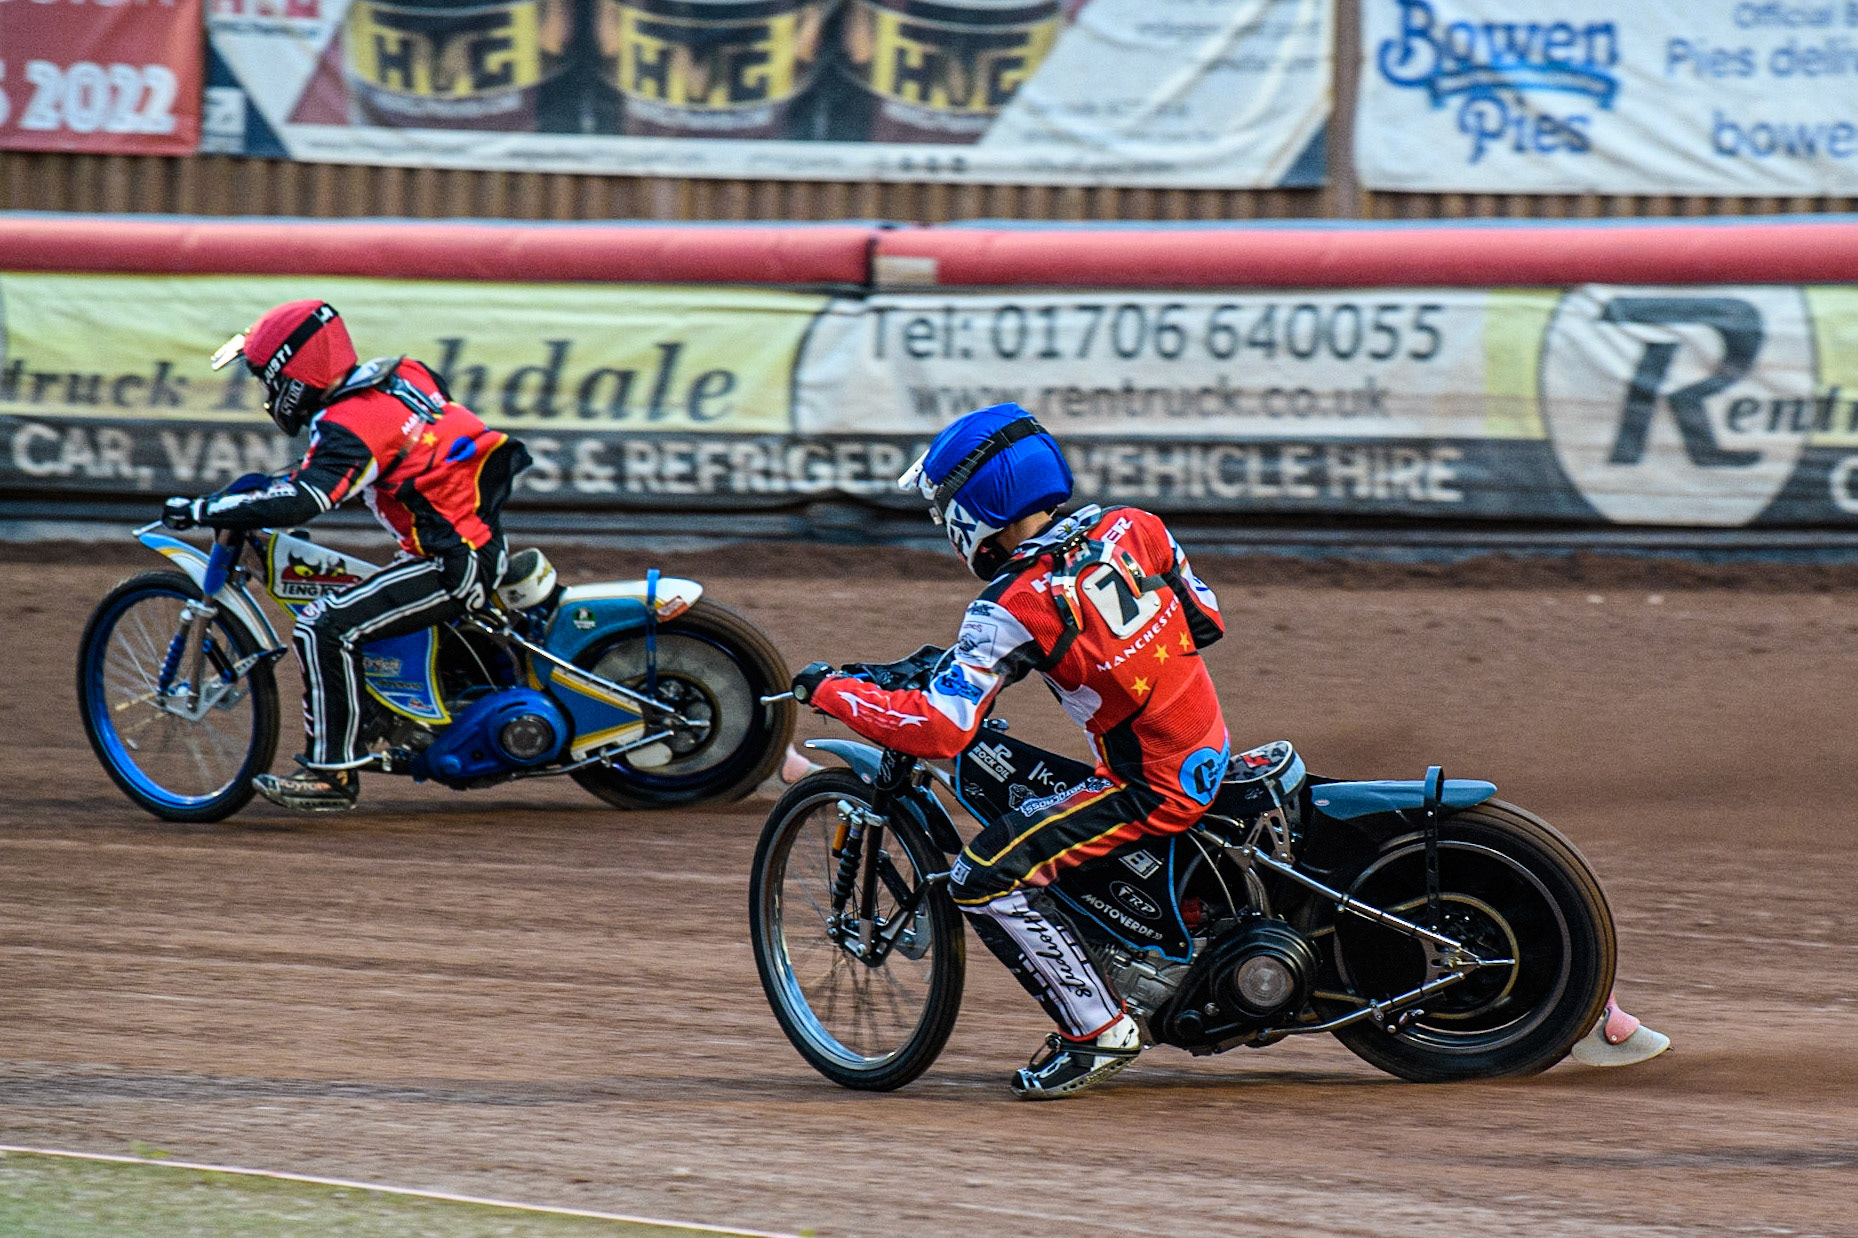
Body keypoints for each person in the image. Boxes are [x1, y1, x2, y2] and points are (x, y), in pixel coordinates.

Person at [789, 404, 1231, 1099]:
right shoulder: (1135, 525)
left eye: (945, 513)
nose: (946, 529)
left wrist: (833, 692)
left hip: (1150, 784)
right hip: (1206, 747)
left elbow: (941, 729)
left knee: (982, 874)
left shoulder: (1012, 604)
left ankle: (1098, 1032)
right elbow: (1205, 618)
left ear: (976, 506)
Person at [162, 299, 530, 812]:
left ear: (290, 375)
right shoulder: (404, 375)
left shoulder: (347, 423)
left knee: (322, 626)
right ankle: (377, 716)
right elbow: (395, 454)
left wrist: (203, 509)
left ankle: (330, 774)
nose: (268, 394)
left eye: (266, 379)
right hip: (474, 542)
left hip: (448, 562)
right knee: (354, 603)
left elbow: (306, 500)